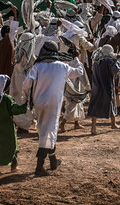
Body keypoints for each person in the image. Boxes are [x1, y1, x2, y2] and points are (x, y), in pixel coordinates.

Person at [21, 41, 84, 176]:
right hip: (54, 104)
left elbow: (26, 83)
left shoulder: (38, 66)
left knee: (46, 130)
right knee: (48, 132)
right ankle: (39, 167)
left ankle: (53, 161)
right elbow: (79, 72)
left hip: (38, 103)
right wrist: (76, 57)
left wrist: (27, 98)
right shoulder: (63, 66)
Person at [0, 75, 27, 175]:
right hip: (6, 128)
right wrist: (25, 106)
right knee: (11, 146)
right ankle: (14, 167)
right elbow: (14, 110)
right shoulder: (7, 99)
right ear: (6, 87)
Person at [88, 45, 120, 135]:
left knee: (94, 105)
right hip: (107, 86)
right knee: (111, 103)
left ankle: (93, 127)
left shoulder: (96, 61)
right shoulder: (108, 61)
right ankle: (113, 124)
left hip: (96, 86)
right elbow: (115, 69)